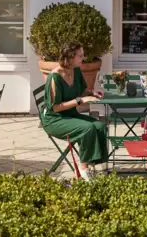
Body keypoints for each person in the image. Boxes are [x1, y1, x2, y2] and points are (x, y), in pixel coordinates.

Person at [41, 42, 108, 181]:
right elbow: (56, 107)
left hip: (70, 115)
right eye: (80, 55)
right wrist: (80, 100)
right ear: (70, 58)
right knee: (88, 128)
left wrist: (92, 92)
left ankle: (94, 165)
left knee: (100, 126)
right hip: (55, 119)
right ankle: (84, 171)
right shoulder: (55, 77)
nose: (83, 58)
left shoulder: (76, 70)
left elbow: (82, 91)